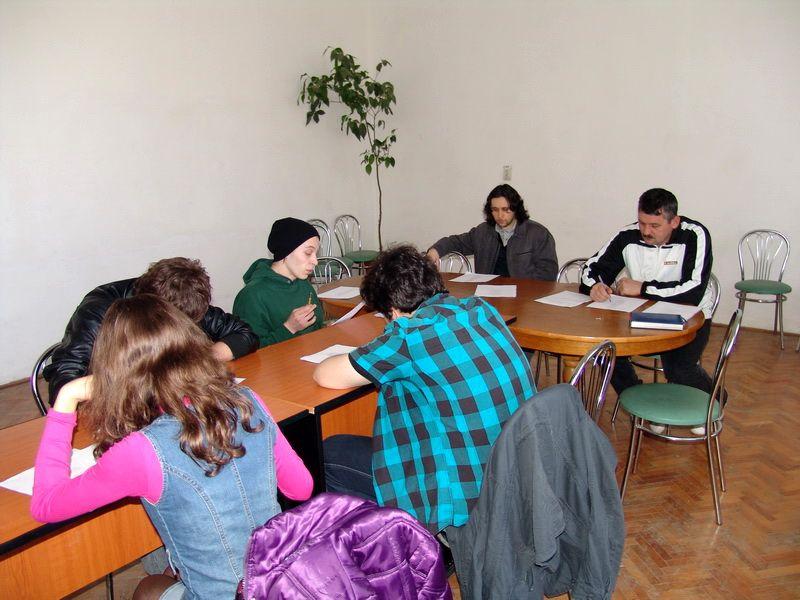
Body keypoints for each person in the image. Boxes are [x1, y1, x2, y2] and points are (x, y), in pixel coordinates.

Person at [31, 295, 313, 599]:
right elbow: (301, 488)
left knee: (149, 587)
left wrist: (66, 400)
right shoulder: (247, 401)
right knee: (169, 568)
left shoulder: (142, 449)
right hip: (287, 583)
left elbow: (45, 505)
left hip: (231, 593)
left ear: (114, 368)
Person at [313, 245, 536, 534]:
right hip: (518, 474)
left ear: (394, 311)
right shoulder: (482, 310)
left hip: (466, 498)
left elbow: (325, 374)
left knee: (330, 452)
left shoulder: (407, 336)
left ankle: (400, 545)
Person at [44, 257, 259, 404]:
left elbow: (245, 334)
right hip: (118, 407)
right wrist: (140, 384)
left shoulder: (185, 299)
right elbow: (64, 379)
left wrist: (198, 362)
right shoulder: (99, 311)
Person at [579, 187, 715, 398]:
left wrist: (642, 288)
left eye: (655, 226)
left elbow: (693, 291)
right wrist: (594, 286)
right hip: (639, 315)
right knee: (604, 351)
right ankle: (636, 397)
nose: (646, 231)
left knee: (679, 368)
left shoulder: (694, 235)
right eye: (642, 223)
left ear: (674, 222)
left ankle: (715, 399)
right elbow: (590, 269)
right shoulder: (627, 236)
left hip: (690, 317)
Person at [426, 183, 558, 280]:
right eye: (495, 210)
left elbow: (548, 273)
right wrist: (434, 251)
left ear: (516, 209)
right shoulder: (483, 232)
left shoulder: (538, 234)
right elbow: (456, 242)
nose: (500, 215)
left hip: (524, 297)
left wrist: (522, 287)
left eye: (505, 210)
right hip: (488, 296)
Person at [233, 218, 324, 348]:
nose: (315, 261)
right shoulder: (251, 296)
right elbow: (247, 351)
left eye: (316, 253)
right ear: (285, 251)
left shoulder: (303, 283)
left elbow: (317, 326)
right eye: (308, 253)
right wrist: (289, 328)